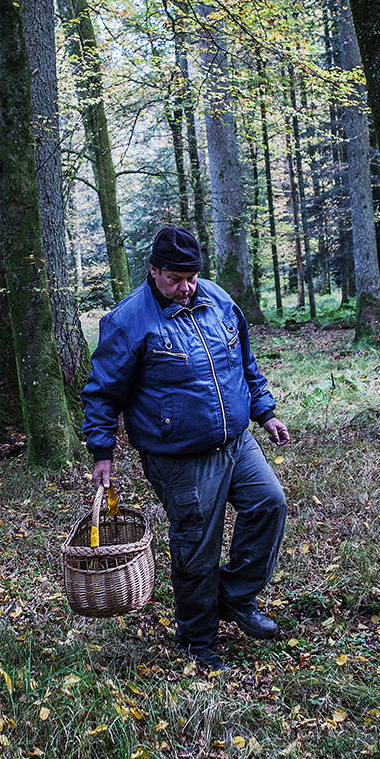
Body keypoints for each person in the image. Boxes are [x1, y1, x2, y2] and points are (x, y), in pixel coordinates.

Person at [82, 226, 294, 671]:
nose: (186, 288)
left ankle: (236, 599)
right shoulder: (127, 322)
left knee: (269, 505)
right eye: (176, 279)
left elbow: (244, 362)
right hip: (178, 456)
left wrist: (265, 410)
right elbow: (102, 392)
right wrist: (102, 451)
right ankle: (197, 638)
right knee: (198, 543)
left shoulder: (217, 300)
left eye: (192, 277)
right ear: (154, 271)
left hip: (237, 442)